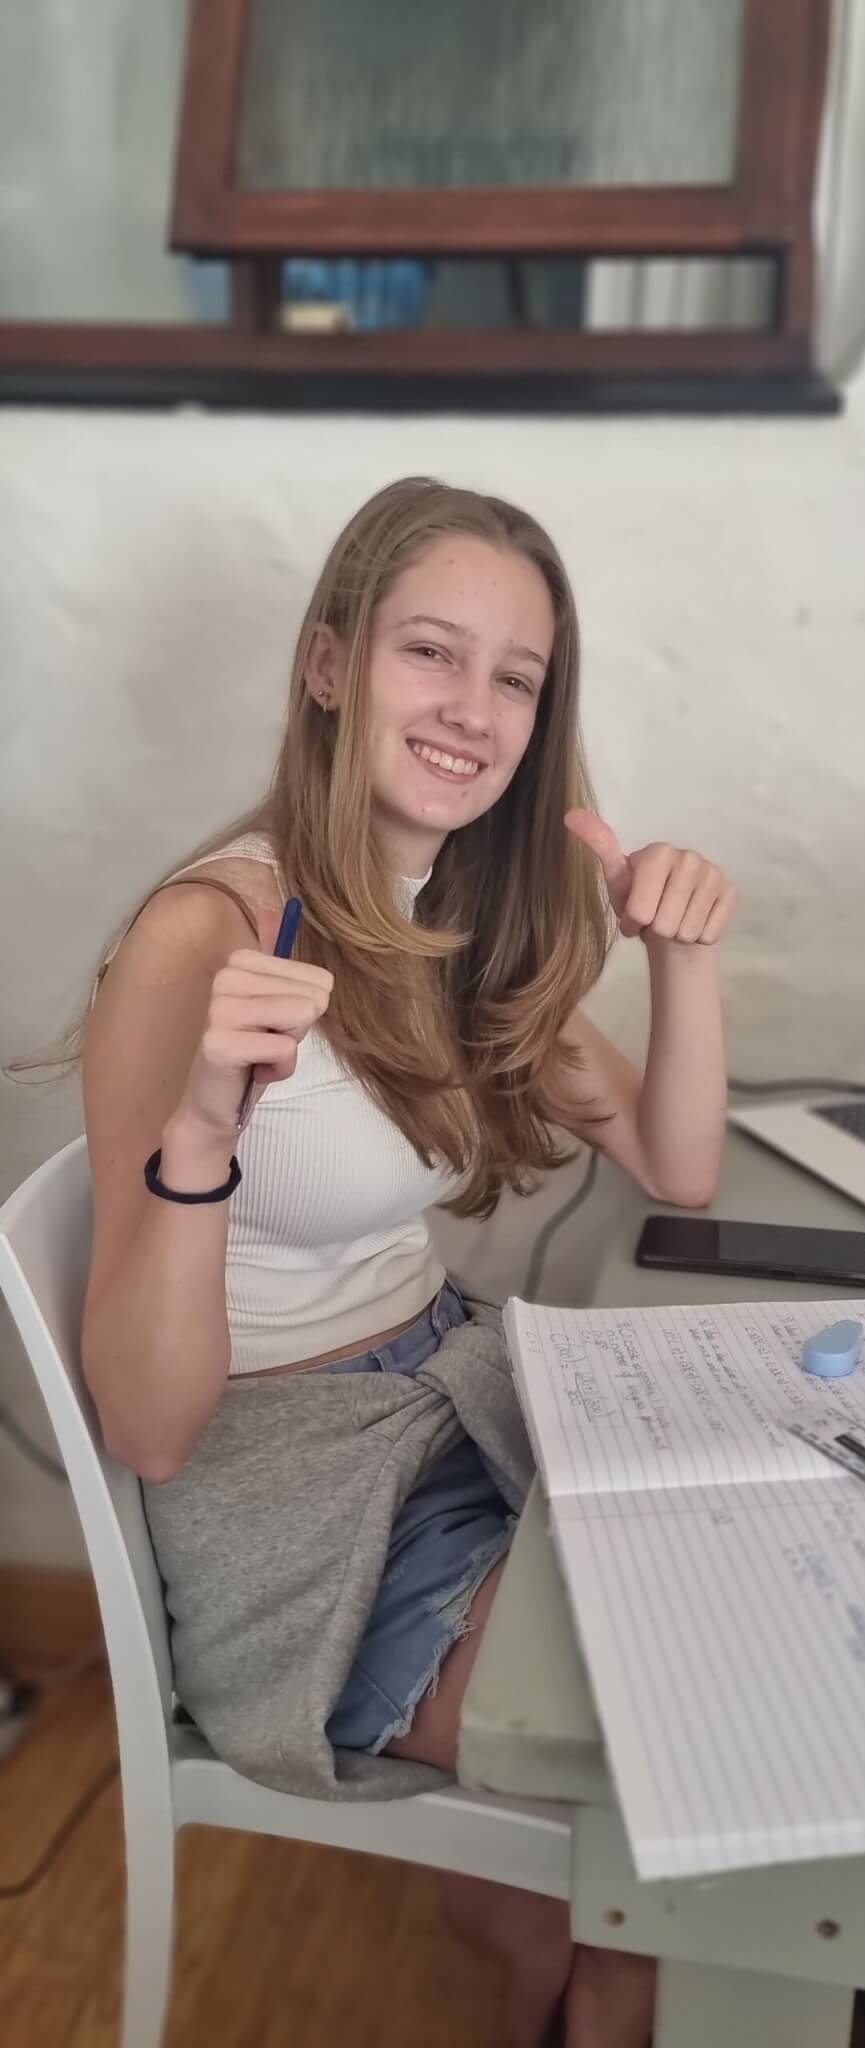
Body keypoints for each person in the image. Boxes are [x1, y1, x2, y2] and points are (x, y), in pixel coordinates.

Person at [81, 477, 735, 2048]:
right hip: (298, 1496)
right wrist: (200, 1129)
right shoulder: (205, 934)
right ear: (328, 665)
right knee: (681, 1758)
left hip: (447, 1387)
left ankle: (558, 1963)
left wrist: (684, 962)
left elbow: (678, 1166)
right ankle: (588, 1976)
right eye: (428, 653)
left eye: (516, 677)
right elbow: (151, 1430)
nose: (472, 710)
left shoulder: (453, 910)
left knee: (727, 1594)